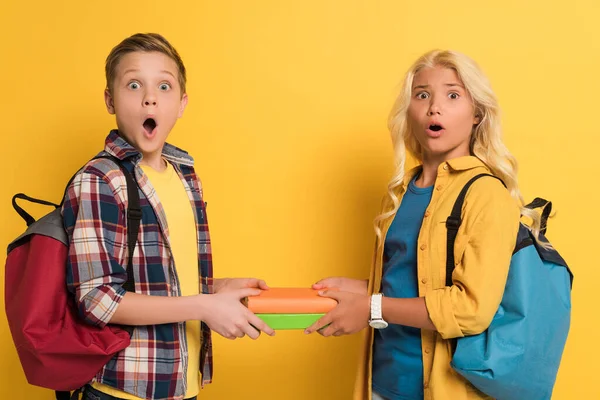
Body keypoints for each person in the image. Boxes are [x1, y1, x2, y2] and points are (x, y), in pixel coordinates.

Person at [306, 49, 546, 400]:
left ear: (476, 113)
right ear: (411, 110)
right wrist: (363, 288)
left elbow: (470, 309)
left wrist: (371, 307)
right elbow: (415, 279)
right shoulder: (399, 194)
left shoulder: (487, 194)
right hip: (383, 383)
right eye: (422, 95)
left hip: (444, 389)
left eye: (453, 95)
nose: (435, 107)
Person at [62, 32, 274, 400]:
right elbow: (97, 299)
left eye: (164, 85)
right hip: (124, 389)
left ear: (181, 103)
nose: (150, 97)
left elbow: (158, 277)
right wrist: (204, 306)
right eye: (133, 84)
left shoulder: (184, 176)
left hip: (180, 383)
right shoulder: (100, 180)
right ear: (110, 100)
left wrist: (215, 289)